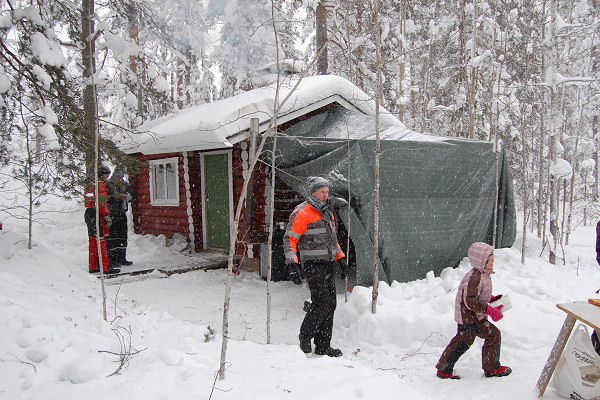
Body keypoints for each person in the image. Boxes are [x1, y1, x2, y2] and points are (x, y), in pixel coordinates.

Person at [283, 176, 348, 357]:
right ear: (313, 192)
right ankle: (305, 335)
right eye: (322, 192)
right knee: (322, 303)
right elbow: (289, 239)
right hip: (312, 264)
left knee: (331, 304)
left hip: (327, 263)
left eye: (327, 192)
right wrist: (292, 264)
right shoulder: (302, 212)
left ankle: (323, 345)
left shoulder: (328, 212)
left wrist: (340, 258)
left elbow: (332, 239)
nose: (326, 195)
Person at [435, 241, 511, 379]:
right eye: (490, 259)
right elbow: (471, 301)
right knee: (493, 335)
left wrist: (492, 300)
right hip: (470, 317)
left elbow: (477, 296)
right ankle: (492, 368)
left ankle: (444, 368)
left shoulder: (481, 274)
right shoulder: (475, 277)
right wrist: (490, 310)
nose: (493, 261)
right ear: (481, 260)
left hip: (467, 316)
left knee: (463, 341)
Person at [84, 165, 120, 275]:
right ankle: (106, 267)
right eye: (106, 174)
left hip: (89, 213)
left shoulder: (89, 185)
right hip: (97, 214)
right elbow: (102, 202)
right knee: (102, 240)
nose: (107, 176)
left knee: (92, 240)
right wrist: (106, 215)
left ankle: (93, 265)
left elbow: (88, 200)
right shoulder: (100, 185)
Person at [107, 169, 134, 267]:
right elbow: (107, 196)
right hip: (112, 213)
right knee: (113, 238)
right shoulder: (109, 184)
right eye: (118, 177)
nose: (120, 179)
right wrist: (116, 196)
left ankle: (122, 258)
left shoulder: (125, 185)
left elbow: (132, 196)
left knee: (122, 237)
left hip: (122, 213)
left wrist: (127, 196)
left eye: (121, 177)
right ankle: (112, 260)